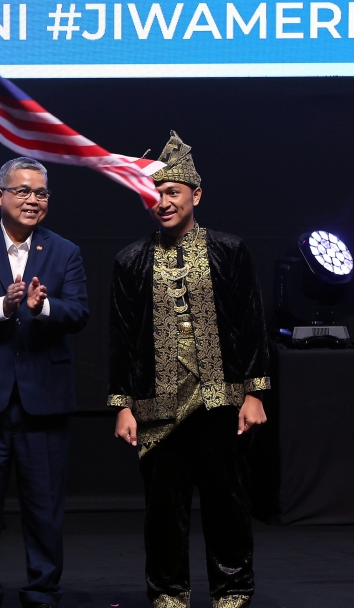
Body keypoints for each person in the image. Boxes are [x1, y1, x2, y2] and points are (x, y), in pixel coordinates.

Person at [107, 132, 269, 608]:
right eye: (155, 193)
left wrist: (255, 393)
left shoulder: (229, 250)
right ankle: (168, 592)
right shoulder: (130, 260)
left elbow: (251, 322)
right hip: (157, 406)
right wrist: (122, 405)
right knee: (163, 511)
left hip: (222, 400)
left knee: (228, 504)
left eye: (172, 192)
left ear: (195, 195)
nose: (163, 202)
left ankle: (233, 589)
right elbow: (121, 336)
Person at [0, 157, 89, 608]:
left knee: (44, 508)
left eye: (41, 193)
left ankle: (42, 593)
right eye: (23, 191)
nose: (33, 200)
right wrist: (3, 307)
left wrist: (40, 307)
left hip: (44, 400)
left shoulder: (64, 250)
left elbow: (79, 312)